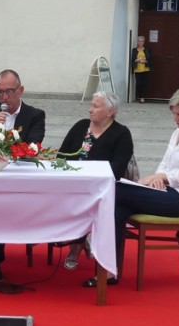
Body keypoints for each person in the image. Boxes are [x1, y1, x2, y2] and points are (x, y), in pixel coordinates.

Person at [99, 87, 179, 288]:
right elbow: (165, 163)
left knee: (115, 189)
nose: (175, 119)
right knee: (117, 211)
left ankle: (83, 233)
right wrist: (157, 179)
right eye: (173, 113)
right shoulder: (177, 132)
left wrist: (160, 177)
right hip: (164, 191)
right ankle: (110, 271)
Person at [0, 69, 46, 281]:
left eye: (9, 91)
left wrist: (5, 138)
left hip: (20, 179)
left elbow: (32, 146)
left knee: (0, 207)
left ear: (21, 90)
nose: (4, 98)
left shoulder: (35, 115)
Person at [56, 91, 134, 271]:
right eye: (91, 105)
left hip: (101, 188)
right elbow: (62, 154)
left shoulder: (121, 134)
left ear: (110, 111)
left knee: (82, 201)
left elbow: (117, 169)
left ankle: (75, 247)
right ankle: (68, 238)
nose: (90, 110)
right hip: (72, 182)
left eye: (95, 106)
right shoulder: (81, 126)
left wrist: (88, 174)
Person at [131, 36, 152, 103]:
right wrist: (138, 60)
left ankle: (142, 97)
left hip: (145, 68)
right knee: (138, 83)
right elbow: (133, 59)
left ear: (144, 42)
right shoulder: (134, 50)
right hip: (137, 69)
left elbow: (149, 59)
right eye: (139, 41)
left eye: (142, 41)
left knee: (144, 83)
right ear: (137, 42)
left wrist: (144, 61)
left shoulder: (147, 49)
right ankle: (139, 96)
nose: (140, 42)